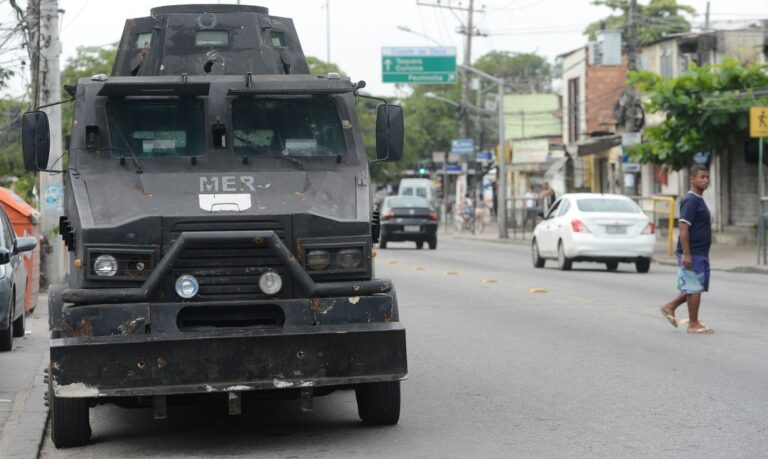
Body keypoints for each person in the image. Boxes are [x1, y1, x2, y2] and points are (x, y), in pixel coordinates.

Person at [660, 164, 714, 334]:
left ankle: (670, 306)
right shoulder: (691, 200)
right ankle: (693, 324)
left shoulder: (698, 199)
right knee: (694, 287)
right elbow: (683, 229)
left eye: (707, 177)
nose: (706, 180)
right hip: (693, 252)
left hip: (700, 252)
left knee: (694, 286)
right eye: (702, 177)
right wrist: (687, 254)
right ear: (692, 179)